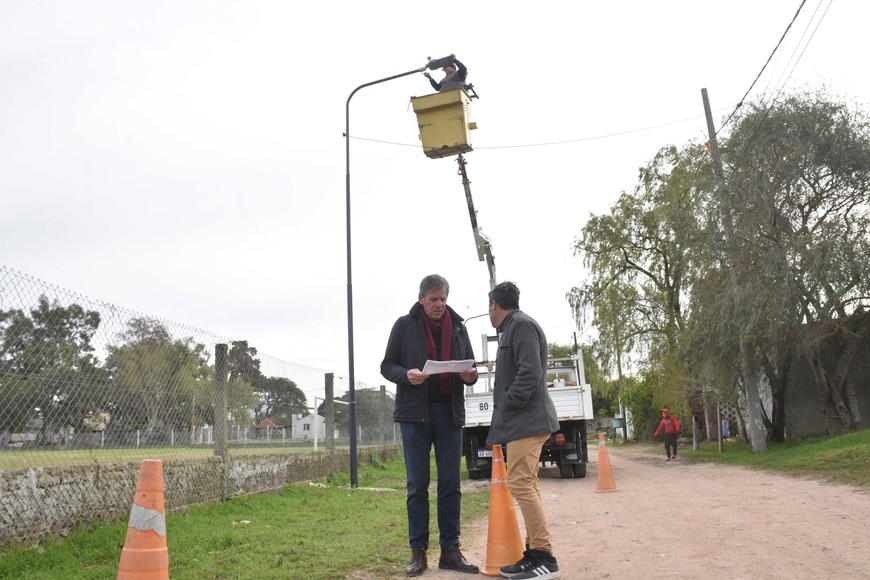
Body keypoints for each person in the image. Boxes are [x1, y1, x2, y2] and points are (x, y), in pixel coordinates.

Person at [380, 274, 480, 577]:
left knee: (451, 485)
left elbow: (471, 366)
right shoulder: (404, 325)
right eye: (434, 299)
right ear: (421, 298)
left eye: (444, 299)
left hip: (450, 415)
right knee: (417, 486)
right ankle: (418, 552)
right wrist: (405, 375)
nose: (439, 305)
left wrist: (470, 375)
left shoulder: (460, 327)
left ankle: (450, 551)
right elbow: (387, 366)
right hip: (414, 416)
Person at [485, 281, 561, 580]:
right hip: (523, 421)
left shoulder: (521, 326)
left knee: (519, 484)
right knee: (526, 483)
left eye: (488, 307)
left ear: (494, 305)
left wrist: (509, 403)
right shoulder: (515, 327)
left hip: (527, 421)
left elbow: (530, 372)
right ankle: (535, 554)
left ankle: (545, 558)